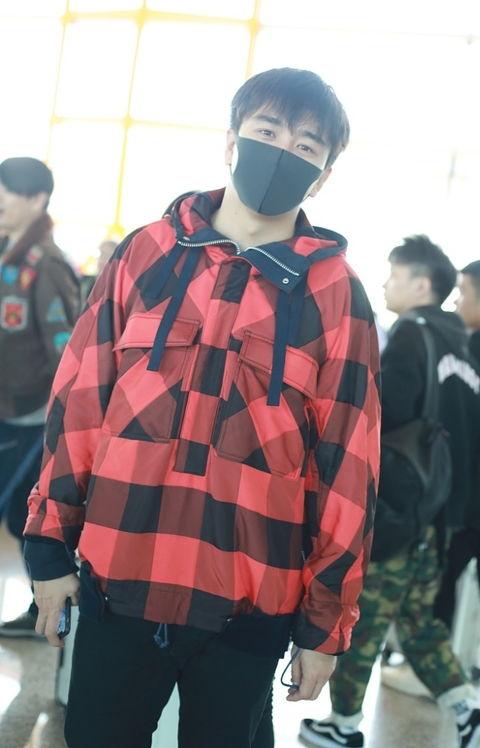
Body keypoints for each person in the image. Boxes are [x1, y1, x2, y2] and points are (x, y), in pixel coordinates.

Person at [23, 68, 381, 748]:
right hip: (119, 580)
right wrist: (48, 546)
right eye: (267, 132)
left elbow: (348, 466)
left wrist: (325, 625)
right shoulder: (148, 253)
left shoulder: (334, 291)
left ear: (323, 176)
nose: (282, 152)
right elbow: (80, 403)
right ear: (231, 142)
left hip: (248, 608)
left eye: (306, 146)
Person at [300, 236, 480, 748]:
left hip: (397, 509)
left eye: (395, 274)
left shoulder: (412, 334)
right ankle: (468, 715)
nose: (386, 284)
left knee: (361, 618)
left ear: (422, 284)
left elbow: (380, 416)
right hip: (439, 513)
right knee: (418, 620)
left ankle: (343, 725)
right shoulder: (463, 345)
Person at [0, 157, 80, 638]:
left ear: (37, 199)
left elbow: (66, 349)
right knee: (18, 516)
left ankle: (46, 610)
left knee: (22, 516)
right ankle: (42, 608)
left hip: (29, 417)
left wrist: (60, 421)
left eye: (8, 190)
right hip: (7, 408)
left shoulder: (45, 263)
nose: (0, 199)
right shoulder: (9, 252)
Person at [434, 259, 480, 661]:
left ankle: (434, 674)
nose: (456, 302)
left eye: (463, 292)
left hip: (476, 500)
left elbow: (469, 426)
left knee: (434, 588)